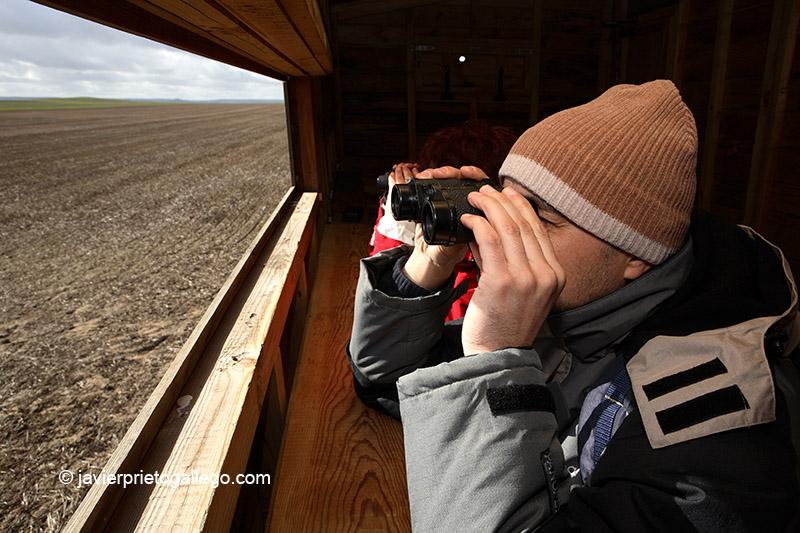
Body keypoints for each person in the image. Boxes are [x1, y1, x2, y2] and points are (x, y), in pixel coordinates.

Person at [346, 80, 800, 531]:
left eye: (539, 217)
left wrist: (496, 358)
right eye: (505, 203)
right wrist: (427, 266)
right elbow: (386, 380)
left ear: (634, 255)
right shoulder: (575, 310)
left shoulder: (715, 431)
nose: (503, 231)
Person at [368, 120, 518, 322]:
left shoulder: (504, 263)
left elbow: (451, 328)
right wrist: (399, 219)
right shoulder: (423, 233)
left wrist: (402, 238)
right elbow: (375, 298)